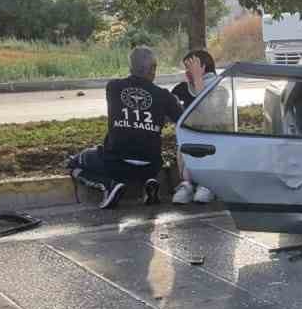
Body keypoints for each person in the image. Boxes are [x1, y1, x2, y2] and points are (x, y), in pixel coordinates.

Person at [68, 46, 181, 209]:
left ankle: (108, 185)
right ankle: (148, 182)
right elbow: (181, 118)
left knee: (73, 163)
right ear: (153, 69)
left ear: (130, 68)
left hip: (115, 164)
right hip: (151, 165)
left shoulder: (113, 88)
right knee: (145, 155)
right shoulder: (164, 96)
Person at [169, 48, 217, 204]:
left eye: (191, 69)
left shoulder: (219, 89)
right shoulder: (181, 89)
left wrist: (198, 80)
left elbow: (208, 113)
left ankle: (208, 184)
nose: (187, 73)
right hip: (186, 145)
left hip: (211, 144)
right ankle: (187, 184)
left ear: (203, 69)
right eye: (186, 69)